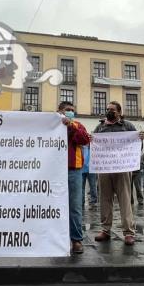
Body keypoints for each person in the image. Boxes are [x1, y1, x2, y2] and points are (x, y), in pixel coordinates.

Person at [92, 101, 144, 246]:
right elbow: (94, 145)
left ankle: (128, 232)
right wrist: (92, 140)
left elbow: (136, 147)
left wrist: (140, 139)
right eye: (107, 109)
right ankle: (105, 230)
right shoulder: (100, 126)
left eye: (112, 110)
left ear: (119, 112)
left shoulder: (128, 126)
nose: (109, 111)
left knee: (125, 200)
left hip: (122, 169)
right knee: (105, 199)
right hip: (104, 169)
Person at [58, 101, 90, 255]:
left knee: (75, 206)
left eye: (72, 110)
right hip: (54, 171)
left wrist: (71, 125)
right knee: (54, 205)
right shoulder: (51, 124)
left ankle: (76, 240)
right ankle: (55, 238)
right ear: (59, 111)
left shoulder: (78, 125)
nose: (70, 112)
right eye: (67, 110)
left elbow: (84, 139)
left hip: (74, 170)